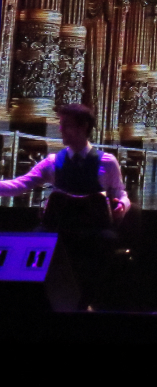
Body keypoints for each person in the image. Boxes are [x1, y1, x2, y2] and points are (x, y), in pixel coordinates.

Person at [0, 104, 130, 307]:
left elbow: (120, 191)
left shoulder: (107, 162)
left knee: (106, 244)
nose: (60, 130)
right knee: (31, 245)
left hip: (93, 229)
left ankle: (91, 301)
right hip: (58, 226)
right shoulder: (52, 162)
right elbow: (20, 184)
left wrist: (122, 204)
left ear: (83, 127)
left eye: (66, 125)